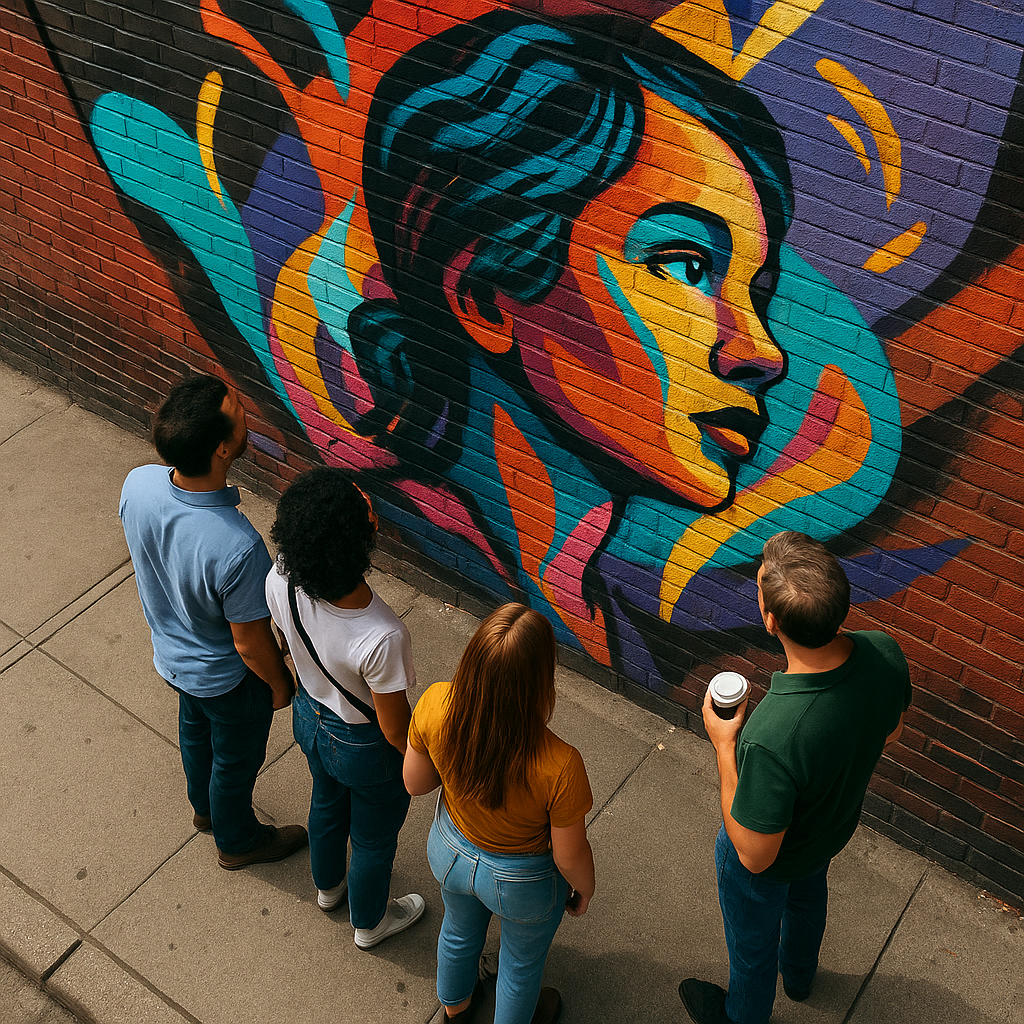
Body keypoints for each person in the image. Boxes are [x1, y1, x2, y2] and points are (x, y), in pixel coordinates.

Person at [680, 531, 911, 1024]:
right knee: (808, 904)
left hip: (771, 861)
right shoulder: (886, 652)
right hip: (827, 833)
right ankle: (801, 977)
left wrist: (724, 744)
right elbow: (889, 734)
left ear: (770, 620)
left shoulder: (772, 735)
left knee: (751, 949)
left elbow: (754, 855)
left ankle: (742, 1016)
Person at [119, 374, 308, 869]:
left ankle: (203, 811)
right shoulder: (239, 548)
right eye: (242, 413)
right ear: (224, 449)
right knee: (235, 761)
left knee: (194, 733)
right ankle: (238, 840)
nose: (248, 414)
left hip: (173, 660)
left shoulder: (137, 485)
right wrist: (281, 685)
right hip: (226, 681)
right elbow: (249, 643)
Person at [404, 604, 596, 1024]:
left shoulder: (435, 703)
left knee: (456, 933)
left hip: (451, 854)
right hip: (523, 882)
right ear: (540, 681)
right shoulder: (561, 764)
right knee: (520, 966)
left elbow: (415, 784)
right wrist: (583, 889)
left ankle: (455, 1013)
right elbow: (568, 854)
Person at [265, 466, 425, 949]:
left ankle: (328, 888)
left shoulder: (280, 577)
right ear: (363, 542)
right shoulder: (382, 634)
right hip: (363, 746)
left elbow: (285, 643)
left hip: (309, 719)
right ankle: (370, 923)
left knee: (326, 801)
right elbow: (396, 730)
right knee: (374, 839)